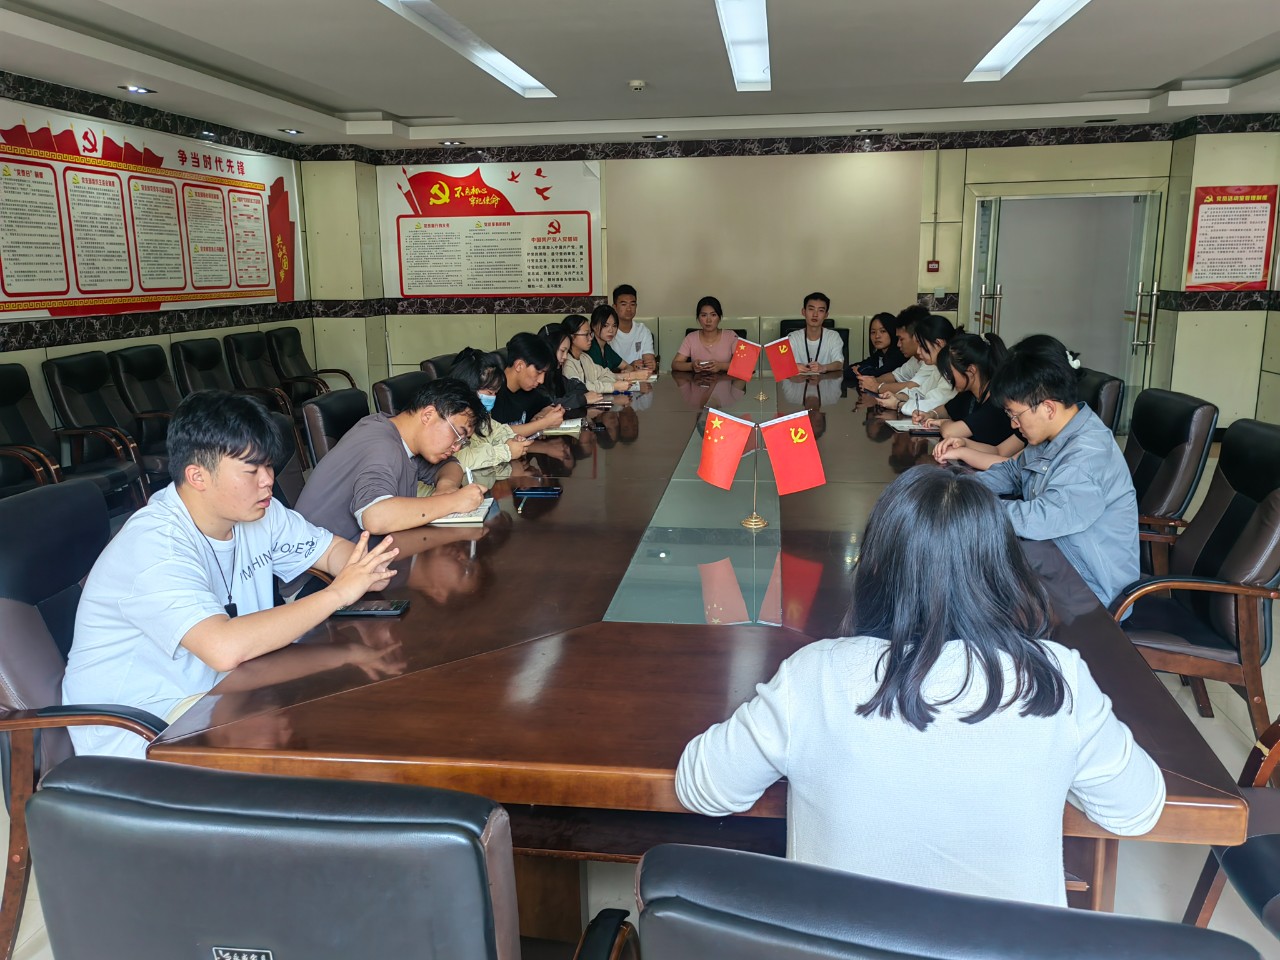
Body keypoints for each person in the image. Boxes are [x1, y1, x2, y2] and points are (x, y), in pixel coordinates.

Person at [675, 466, 1165, 907]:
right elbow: (1136, 810)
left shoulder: (817, 673)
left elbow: (705, 789)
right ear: (1003, 569)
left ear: (873, 566)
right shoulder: (1055, 676)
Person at [63, 390, 400, 759]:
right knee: (322, 745)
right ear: (197, 476)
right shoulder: (155, 547)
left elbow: (332, 551)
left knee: (344, 712)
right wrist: (339, 593)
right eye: (251, 470)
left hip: (224, 694)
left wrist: (362, 568)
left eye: (268, 466)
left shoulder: (260, 513)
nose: (268, 480)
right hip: (143, 729)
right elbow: (223, 649)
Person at [975, 335, 1139, 608]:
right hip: (1052, 565)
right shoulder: (1052, 436)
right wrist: (966, 487)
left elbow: (1043, 517)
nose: (1014, 424)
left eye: (1015, 415)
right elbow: (1014, 472)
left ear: (1048, 408)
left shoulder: (1087, 456)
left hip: (1090, 594)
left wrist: (975, 507)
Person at [295, 377, 488, 542]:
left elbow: (450, 465)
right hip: (317, 565)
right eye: (457, 434)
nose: (456, 447)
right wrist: (452, 502)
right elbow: (375, 517)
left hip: (358, 553)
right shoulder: (382, 445)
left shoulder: (401, 437)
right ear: (428, 415)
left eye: (463, 442)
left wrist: (446, 487)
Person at [921, 332, 1019, 447]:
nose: (948, 378)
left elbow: (950, 432)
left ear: (971, 370)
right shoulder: (969, 394)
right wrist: (931, 414)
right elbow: (946, 409)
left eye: (950, 372)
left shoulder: (996, 401)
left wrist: (944, 422)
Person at [449, 347, 533, 471]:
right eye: (489, 392)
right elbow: (459, 460)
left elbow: (494, 430)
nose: (493, 398)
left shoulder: (478, 413)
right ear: (469, 388)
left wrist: (511, 439)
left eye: (495, 393)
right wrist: (506, 451)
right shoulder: (451, 416)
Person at [875, 313, 956, 416]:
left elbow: (932, 404)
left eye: (922, 345)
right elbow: (921, 392)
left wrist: (898, 404)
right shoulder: (940, 367)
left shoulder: (954, 370)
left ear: (939, 343)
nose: (918, 351)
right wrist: (898, 396)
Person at [491, 332, 568, 437]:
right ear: (519, 365)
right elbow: (496, 434)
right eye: (538, 372)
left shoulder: (528, 390)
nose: (541, 380)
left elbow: (548, 407)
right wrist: (543, 423)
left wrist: (542, 416)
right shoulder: (492, 393)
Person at [565, 309, 647, 393]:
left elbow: (604, 374)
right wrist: (614, 386)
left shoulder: (584, 357)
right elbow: (580, 387)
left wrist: (628, 376)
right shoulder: (567, 361)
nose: (590, 338)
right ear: (572, 337)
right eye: (586, 334)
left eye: (614, 326)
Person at [856, 304, 928, 393]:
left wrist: (877, 387)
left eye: (901, 339)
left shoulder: (932, 361)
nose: (898, 344)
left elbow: (913, 386)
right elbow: (895, 376)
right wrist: (873, 381)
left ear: (917, 337)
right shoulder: (915, 359)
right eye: (873, 332)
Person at [540, 323, 604, 408]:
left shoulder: (556, 375)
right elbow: (548, 404)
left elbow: (580, 386)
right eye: (562, 351)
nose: (565, 357)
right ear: (549, 348)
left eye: (567, 352)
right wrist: (581, 399)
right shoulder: (537, 378)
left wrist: (567, 400)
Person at [672, 296, 738, 373]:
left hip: (725, 380)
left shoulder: (731, 336)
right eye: (703, 315)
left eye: (713, 315)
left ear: (719, 317)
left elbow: (743, 365)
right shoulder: (691, 338)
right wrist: (691, 366)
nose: (708, 320)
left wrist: (721, 366)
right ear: (698, 318)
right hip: (697, 380)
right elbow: (675, 364)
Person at [788, 292, 844, 374]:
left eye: (821, 310)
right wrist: (792, 367)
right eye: (811, 309)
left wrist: (823, 367)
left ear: (826, 315)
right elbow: (779, 364)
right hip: (798, 381)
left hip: (826, 381)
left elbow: (839, 364)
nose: (815, 314)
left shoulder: (833, 336)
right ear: (803, 312)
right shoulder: (793, 337)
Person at [611, 284, 656, 371]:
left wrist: (650, 364)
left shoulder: (643, 331)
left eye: (632, 304)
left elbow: (649, 360)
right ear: (615, 307)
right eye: (624, 304)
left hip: (639, 378)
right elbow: (603, 368)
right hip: (614, 378)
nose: (628, 309)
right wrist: (630, 367)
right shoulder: (608, 331)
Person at [850, 312, 907, 381]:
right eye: (873, 332)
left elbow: (880, 374)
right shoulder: (879, 354)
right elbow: (848, 370)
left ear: (893, 332)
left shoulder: (900, 355)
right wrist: (864, 370)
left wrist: (859, 370)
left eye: (883, 331)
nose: (877, 336)